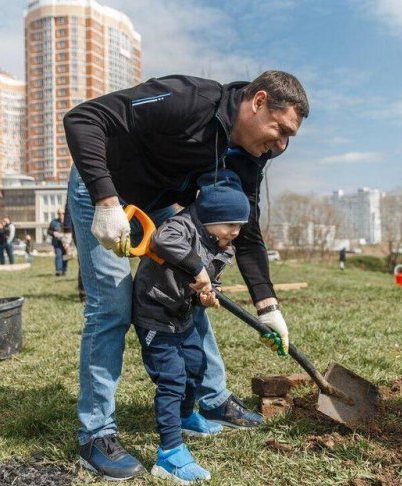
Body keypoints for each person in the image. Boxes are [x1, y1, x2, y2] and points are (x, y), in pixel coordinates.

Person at [64, 70, 308, 480]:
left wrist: (268, 306)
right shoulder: (187, 100)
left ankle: (210, 398)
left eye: (289, 138)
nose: (281, 144)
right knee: (112, 307)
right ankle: (96, 433)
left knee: (191, 292)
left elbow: (244, 229)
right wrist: (106, 201)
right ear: (259, 101)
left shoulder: (253, 154)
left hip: (155, 204)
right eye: (280, 130)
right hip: (102, 188)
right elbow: (84, 119)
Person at [132, 169, 251, 483]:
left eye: (241, 226)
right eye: (232, 225)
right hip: (155, 313)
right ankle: (169, 454)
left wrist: (205, 298)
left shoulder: (222, 246)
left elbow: (203, 286)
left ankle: (186, 416)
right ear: (211, 216)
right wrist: (197, 268)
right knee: (171, 379)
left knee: (196, 367)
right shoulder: (181, 226)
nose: (236, 232)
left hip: (181, 314)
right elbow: (160, 239)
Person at [62, 201, 85, 302]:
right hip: (81, 223)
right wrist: (67, 229)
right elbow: (69, 204)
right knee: (85, 259)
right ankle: (84, 295)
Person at [48, 209, 68, 276]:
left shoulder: (67, 222)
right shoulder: (53, 222)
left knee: (65, 256)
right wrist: (53, 233)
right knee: (58, 255)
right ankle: (58, 271)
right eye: (59, 213)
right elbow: (48, 231)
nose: (61, 215)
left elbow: (71, 231)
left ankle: (64, 270)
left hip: (65, 242)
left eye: (62, 213)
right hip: (57, 243)